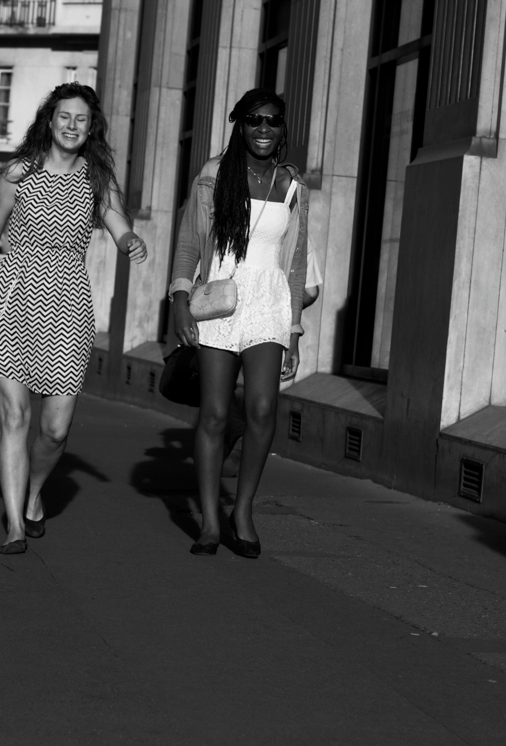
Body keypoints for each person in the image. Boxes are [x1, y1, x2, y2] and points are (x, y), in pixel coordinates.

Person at [0, 83, 147, 555]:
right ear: (50, 119)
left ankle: (35, 494)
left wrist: (128, 242)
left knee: (55, 429)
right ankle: (15, 523)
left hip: (68, 306)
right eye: (64, 116)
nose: (72, 125)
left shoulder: (98, 178)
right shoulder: (18, 174)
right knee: (15, 417)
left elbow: (118, 224)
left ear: (91, 126)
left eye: (81, 119)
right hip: (13, 297)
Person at [170, 88, 309, 558]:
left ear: (283, 127)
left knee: (263, 409)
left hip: (269, 304)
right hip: (220, 301)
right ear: (240, 125)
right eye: (254, 121)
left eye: (272, 121)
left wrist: (293, 332)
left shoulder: (293, 187)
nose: (263, 129)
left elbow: (296, 266)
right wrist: (179, 300)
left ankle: (242, 510)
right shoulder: (213, 177)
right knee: (213, 413)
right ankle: (210, 521)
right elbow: (190, 244)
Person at [221, 242, 323, 477]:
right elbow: (311, 291)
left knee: (223, 387)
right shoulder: (300, 234)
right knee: (258, 396)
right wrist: (282, 311)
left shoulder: (234, 222)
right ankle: (243, 449)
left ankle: (235, 437)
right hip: (269, 327)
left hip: (228, 317)